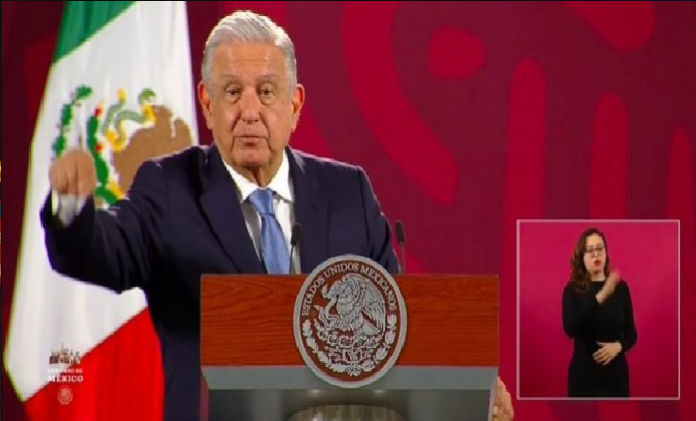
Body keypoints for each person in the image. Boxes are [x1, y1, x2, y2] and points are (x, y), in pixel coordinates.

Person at [42, 10, 514, 420]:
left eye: (266, 92)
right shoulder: (169, 189)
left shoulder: (347, 192)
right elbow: (102, 253)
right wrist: (72, 207)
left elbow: (396, 330)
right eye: (232, 92)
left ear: (295, 104)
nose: (249, 111)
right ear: (206, 103)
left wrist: (468, 390)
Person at [562, 227, 638, 398]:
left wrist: (618, 346)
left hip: (616, 379)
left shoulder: (621, 288)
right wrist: (600, 296)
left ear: (606, 252)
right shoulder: (572, 290)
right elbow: (570, 328)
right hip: (583, 380)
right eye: (590, 250)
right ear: (582, 257)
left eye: (599, 248)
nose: (596, 254)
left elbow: (632, 335)